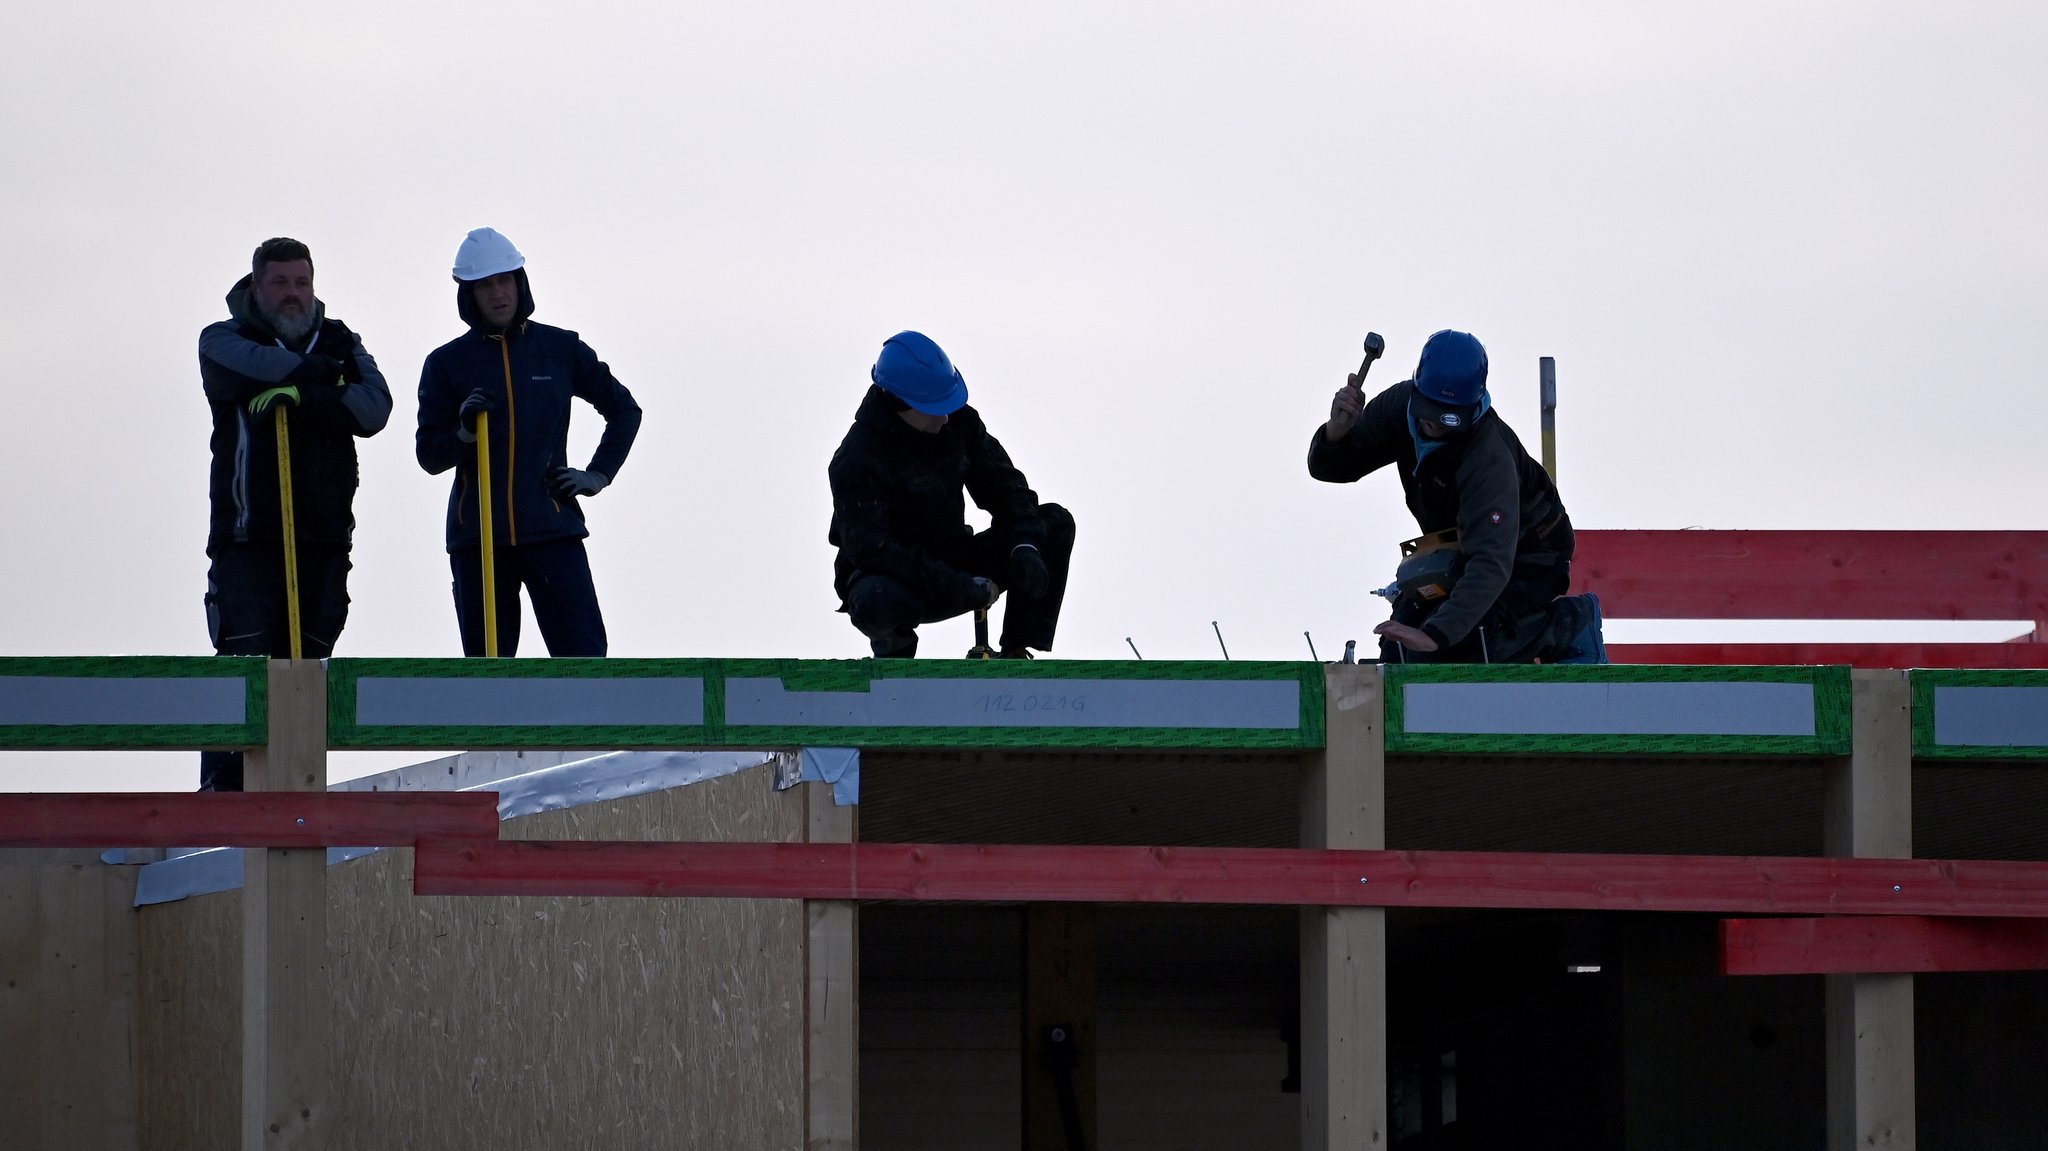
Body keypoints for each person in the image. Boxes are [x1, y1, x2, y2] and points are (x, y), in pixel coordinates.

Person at [198, 237, 392, 790]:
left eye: (301, 283)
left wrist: (305, 396)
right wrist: (326, 378)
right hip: (246, 534)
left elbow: (375, 409)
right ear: (257, 287)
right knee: (245, 665)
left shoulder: (341, 340)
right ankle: (220, 800)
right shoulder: (223, 338)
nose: (292, 295)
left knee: (310, 674)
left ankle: (295, 795)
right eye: (280, 283)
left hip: (324, 538)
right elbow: (248, 365)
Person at [1307, 328, 1600, 663]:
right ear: (1416, 390)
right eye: (1430, 411)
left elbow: (1491, 562)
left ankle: (1571, 625)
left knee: (1464, 645)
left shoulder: (1488, 458)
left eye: (1450, 419)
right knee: (1399, 651)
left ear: (1473, 407)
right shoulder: (1397, 408)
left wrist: (1435, 636)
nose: (1435, 425)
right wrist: (1335, 434)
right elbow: (1331, 469)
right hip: (1459, 548)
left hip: (1530, 557)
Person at [417, 227, 642, 657]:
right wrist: (464, 433)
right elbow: (429, 454)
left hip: (553, 532)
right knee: (489, 681)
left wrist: (598, 474)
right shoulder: (446, 364)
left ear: (520, 282)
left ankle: (584, 729)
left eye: (505, 280)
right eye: (485, 285)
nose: (498, 293)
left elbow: (625, 410)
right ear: (469, 294)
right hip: (478, 542)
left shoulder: (560, 349)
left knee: (585, 665)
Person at [829, 331, 1075, 659]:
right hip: (891, 576)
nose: (944, 417)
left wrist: (1025, 548)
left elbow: (1008, 490)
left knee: (1052, 524)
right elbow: (874, 551)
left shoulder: (959, 424)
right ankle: (896, 668)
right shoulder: (857, 458)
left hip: (954, 559)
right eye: (933, 408)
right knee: (879, 596)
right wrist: (957, 587)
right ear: (900, 403)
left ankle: (1017, 652)